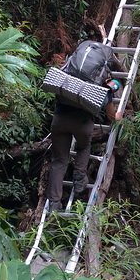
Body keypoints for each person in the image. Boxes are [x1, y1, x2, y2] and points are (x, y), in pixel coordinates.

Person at [47, 72, 122, 213]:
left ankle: (54, 203)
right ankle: (80, 177)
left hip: (59, 121)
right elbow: (111, 116)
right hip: (82, 123)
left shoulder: (70, 75)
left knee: (58, 161)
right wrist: (118, 117)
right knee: (83, 146)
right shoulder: (102, 87)